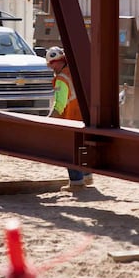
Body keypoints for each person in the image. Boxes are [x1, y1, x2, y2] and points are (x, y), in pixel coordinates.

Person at [46, 46, 94, 189]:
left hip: (70, 119)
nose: (52, 68)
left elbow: (59, 106)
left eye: (52, 64)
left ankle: (77, 182)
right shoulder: (74, 73)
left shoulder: (62, 79)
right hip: (83, 118)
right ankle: (87, 175)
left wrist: (46, 121)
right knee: (82, 147)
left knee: (68, 150)